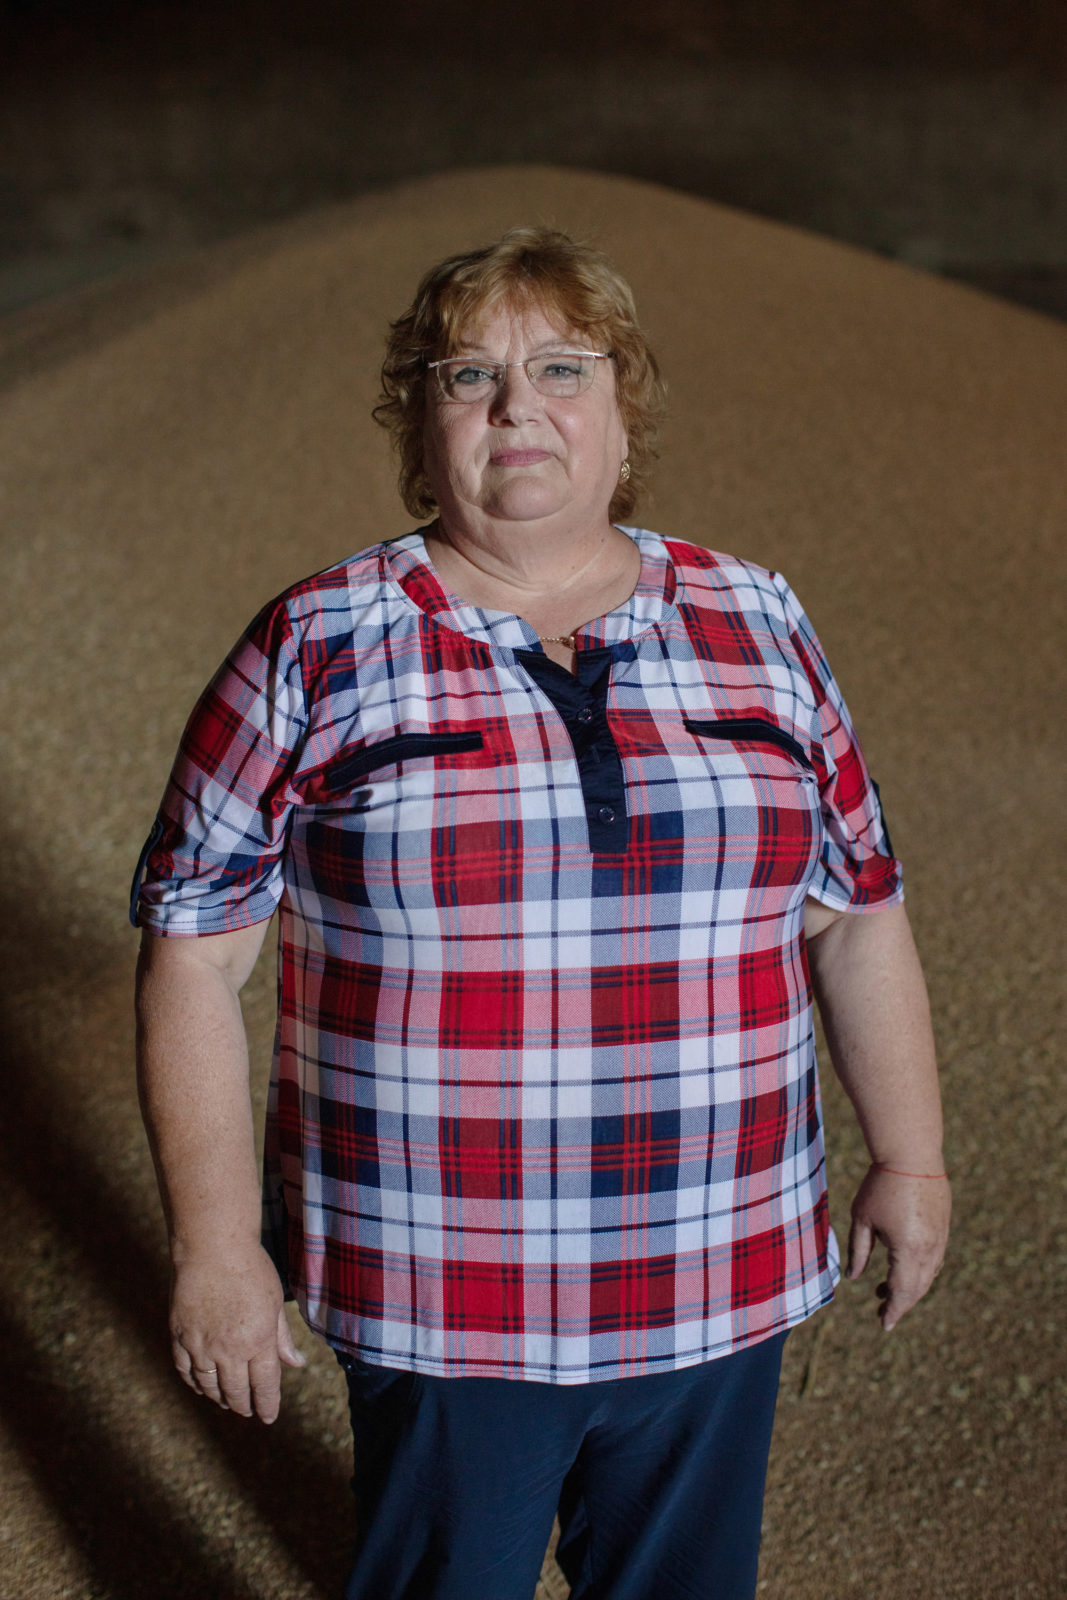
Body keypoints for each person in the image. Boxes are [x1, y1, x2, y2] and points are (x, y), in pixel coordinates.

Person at [133, 226, 951, 1600]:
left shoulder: (758, 618)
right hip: (446, 1292)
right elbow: (195, 956)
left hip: (718, 1269)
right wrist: (216, 1246)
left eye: (563, 369)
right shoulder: (318, 641)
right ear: (424, 425)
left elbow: (854, 916)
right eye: (472, 376)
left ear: (625, 419)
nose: (519, 408)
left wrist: (910, 1159)